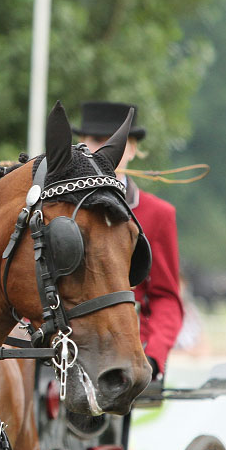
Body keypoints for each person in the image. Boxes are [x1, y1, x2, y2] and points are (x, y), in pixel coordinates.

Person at [73, 101, 184, 385]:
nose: (106, 150)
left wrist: (153, 355)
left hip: (123, 354)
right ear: (82, 146)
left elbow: (166, 298)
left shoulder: (158, 215)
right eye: (98, 141)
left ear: (133, 148)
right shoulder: (57, 207)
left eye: (117, 142)